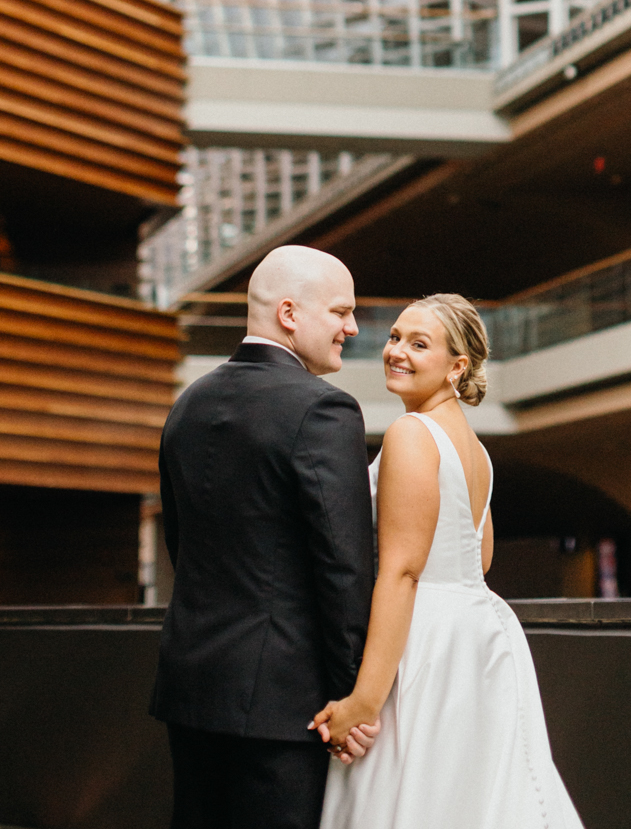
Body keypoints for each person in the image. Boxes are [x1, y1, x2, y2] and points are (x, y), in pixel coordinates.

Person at [313, 293, 585, 829]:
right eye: (394, 338)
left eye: (419, 344)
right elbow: (478, 558)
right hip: (478, 636)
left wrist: (363, 703)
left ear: (457, 366)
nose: (396, 352)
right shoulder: (475, 448)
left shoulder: (412, 433)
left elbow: (403, 572)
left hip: (423, 640)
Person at [152, 246, 378, 829]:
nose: (352, 328)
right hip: (285, 703)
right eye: (340, 311)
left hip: (193, 688)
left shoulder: (188, 404)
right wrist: (351, 701)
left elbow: (184, 546)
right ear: (288, 314)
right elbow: (344, 567)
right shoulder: (324, 409)